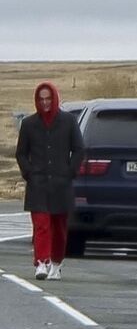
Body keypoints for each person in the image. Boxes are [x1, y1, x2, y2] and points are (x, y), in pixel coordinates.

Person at [14, 82, 85, 280]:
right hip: (38, 184)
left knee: (59, 227)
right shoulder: (28, 124)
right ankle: (41, 262)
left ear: (54, 99)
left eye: (48, 98)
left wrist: (70, 171)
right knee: (41, 224)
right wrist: (29, 172)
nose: (45, 102)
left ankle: (56, 262)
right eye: (41, 99)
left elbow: (79, 149)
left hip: (61, 184)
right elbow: (21, 153)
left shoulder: (68, 121)